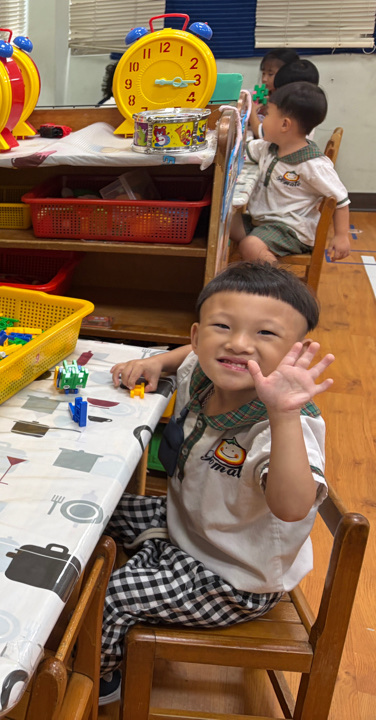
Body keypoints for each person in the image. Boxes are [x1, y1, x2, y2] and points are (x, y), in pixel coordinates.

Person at [99, 261, 334, 705]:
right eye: (222, 326)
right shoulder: (204, 370)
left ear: (295, 352)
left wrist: (284, 414)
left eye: (265, 333)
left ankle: (100, 680)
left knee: (112, 597)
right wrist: (156, 360)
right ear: (196, 335)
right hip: (188, 527)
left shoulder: (284, 426)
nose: (238, 343)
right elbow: (187, 357)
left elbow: (292, 507)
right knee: (97, 510)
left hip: (234, 576)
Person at [232, 82, 351, 263]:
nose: (263, 120)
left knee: (250, 246)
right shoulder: (268, 148)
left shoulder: (312, 164)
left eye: (267, 114)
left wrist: (341, 236)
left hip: (292, 230)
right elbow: (241, 149)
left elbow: (340, 200)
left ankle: (279, 280)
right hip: (261, 222)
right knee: (222, 222)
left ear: (285, 124)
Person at [249, 47, 299, 137]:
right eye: (263, 73)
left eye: (270, 74)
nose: (264, 79)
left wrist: (252, 110)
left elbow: (264, 135)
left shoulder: (288, 103)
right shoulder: (258, 94)